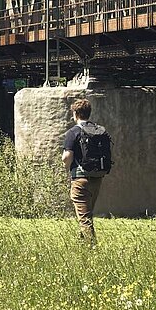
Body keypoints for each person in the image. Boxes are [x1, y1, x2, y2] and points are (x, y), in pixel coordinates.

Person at [62, 98, 107, 245]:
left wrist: (66, 167)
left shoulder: (73, 132)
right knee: (86, 214)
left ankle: (91, 248)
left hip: (80, 180)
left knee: (84, 218)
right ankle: (82, 245)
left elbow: (67, 157)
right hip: (97, 178)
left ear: (75, 114)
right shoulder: (98, 131)